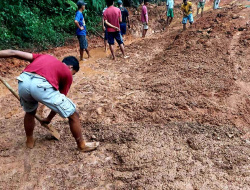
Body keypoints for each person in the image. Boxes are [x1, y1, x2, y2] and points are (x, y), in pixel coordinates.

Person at [0, 50, 99, 151]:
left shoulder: (43, 57)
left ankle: (29, 140)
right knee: (73, 114)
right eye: (73, 73)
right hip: (40, 85)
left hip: (23, 81)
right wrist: (49, 119)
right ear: (70, 67)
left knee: (30, 112)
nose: (71, 75)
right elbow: (58, 101)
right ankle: (82, 145)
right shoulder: (67, 74)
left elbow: (13, 52)